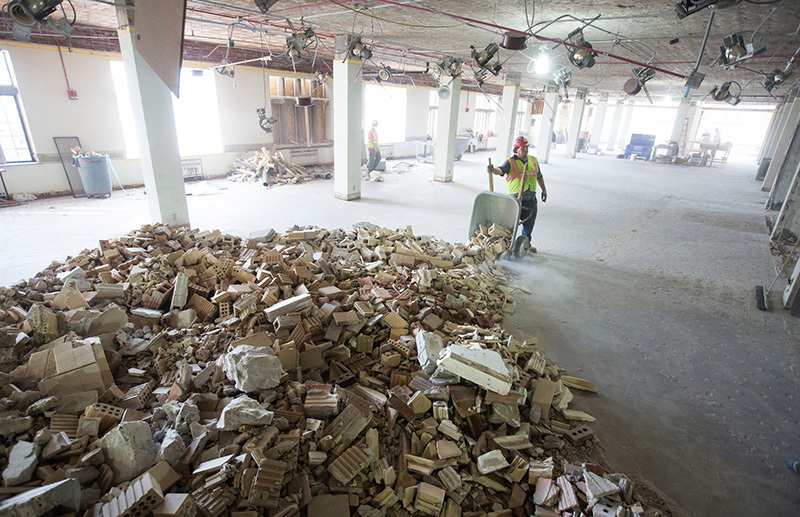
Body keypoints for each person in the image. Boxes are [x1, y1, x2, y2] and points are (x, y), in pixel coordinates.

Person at [487, 135, 548, 242]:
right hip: (515, 199)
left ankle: (525, 244)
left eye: (526, 147)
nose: (525, 150)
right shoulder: (510, 162)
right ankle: (506, 244)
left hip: (531, 198)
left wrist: (544, 190)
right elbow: (500, 170)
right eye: (522, 148)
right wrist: (493, 170)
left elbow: (539, 176)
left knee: (529, 225)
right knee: (510, 225)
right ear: (516, 149)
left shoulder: (533, 160)